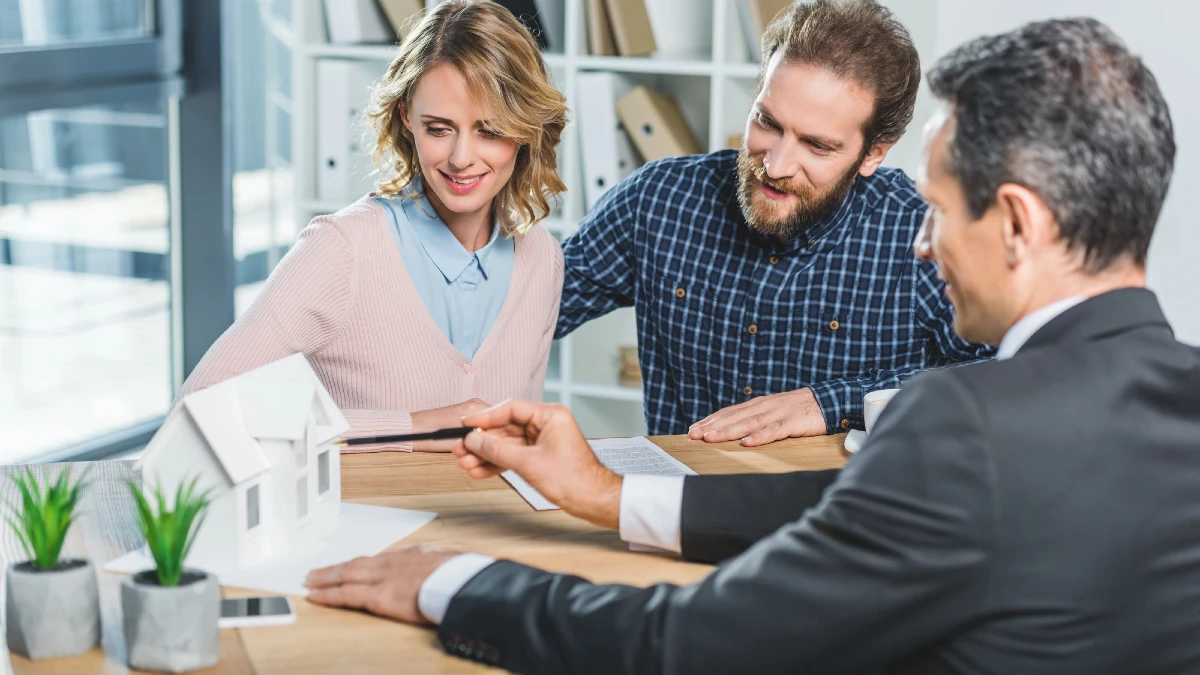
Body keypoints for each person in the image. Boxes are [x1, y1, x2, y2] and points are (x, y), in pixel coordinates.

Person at [304, 17, 1200, 673]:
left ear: (1014, 222)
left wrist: (454, 581)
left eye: (940, 207)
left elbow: (685, 643)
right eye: (767, 123)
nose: (926, 242)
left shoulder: (963, 426)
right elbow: (857, 501)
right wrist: (613, 494)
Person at [557, 0, 993, 446]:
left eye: (817, 146)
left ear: (874, 153)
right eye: (767, 121)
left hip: (840, 508)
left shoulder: (923, 232)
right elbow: (526, 310)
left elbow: (1009, 374)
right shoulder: (657, 200)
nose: (777, 164)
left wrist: (827, 403)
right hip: (678, 504)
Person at [179, 0, 566, 451]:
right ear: (406, 117)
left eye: (490, 130)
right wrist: (419, 426)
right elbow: (199, 405)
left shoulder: (542, 258)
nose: (461, 158)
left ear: (526, 128)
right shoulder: (342, 250)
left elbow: (521, 450)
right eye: (439, 129)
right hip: (359, 519)